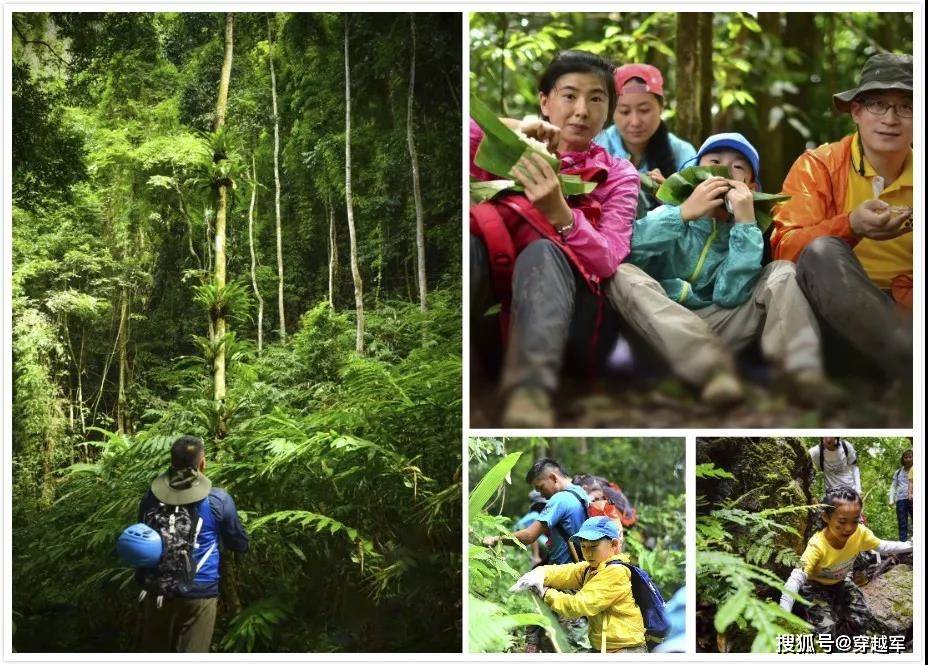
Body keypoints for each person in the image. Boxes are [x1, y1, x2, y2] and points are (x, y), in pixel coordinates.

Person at [605, 132, 844, 409]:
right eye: (715, 162)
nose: (725, 171)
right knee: (622, 272)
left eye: (738, 167)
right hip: (659, 329)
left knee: (781, 271)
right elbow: (628, 249)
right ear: (693, 174)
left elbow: (730, 295)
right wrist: (682, 213)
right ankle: (712, 372)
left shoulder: (746, 231)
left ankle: (802, 375)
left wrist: (744, 224)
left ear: (751, 186)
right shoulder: (672, 211)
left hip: (721, 326)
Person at [470, 49, 640, 427]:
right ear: (545, 102)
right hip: (492, 287)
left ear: (609, 111)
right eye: (569, 95)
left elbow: (609, 257)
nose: (581, 110)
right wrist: (515, 128)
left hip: (568, 311)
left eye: (596, 98)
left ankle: (528, 403)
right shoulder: (509, 147)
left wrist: (559, 213)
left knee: (544, 252)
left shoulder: (618, 174)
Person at [771, 54, 913, 384]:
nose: (890, 119)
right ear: (856, 111)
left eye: (906, 106)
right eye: (878, 104)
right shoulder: (819, 165)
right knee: (822, 251)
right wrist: (851, 225)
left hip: (908, 314)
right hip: (836, 320)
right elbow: (784, 248)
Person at [137, 435, 249, 652]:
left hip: (158, 590)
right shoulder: (219, 500)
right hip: (201, 593)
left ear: (171, 462)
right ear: (202, 463)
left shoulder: (151, 497)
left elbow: (141, 536)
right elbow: (239, 543)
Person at [778, 486, 912, 638]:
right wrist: (783, 615)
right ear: (826, 517)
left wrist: (911, 545)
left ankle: (845, 641)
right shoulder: (817, 545)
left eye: (854, 521)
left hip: (840, 583)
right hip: (815, 587)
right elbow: (796, 579)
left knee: (863, 617)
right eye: (842, 522)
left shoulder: (860, 533)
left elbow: (882, 546)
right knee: (825, 631)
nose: (848, 528)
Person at [511, 516, 646, 653]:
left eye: (593, 547)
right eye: (583, 546)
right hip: (606, 648)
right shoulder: (592, 568)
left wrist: (545, 593)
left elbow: (578, 606)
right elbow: (566, 572)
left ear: (614, 545)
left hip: (625, 650)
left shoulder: (615, 572)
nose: (587, 553)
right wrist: (539, 573)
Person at [595, 63, 696, 210]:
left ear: (661, 107)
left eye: (644, 110)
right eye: (624, 111)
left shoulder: (683, 153)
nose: (635, 122)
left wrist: (670, 195)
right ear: (611, 111)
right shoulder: (597, 148)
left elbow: (696, 211)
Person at [483, 458, 588, 565]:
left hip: (564, 572)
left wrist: (497, 539)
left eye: (541, 487)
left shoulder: (559, 499)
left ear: (553, 478)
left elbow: (529, 536)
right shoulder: (580, 492)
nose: (542, 495)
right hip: (580, 564)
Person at [888, 449, 913, 541]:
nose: (908, 459)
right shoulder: (898, 472)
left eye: (910, 457)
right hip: (901, 499)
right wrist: (891, 499)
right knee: (902, 523)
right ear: (903, 459)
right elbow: (893, 486)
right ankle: (903, 545)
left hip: (913, 499)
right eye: (906, 457)